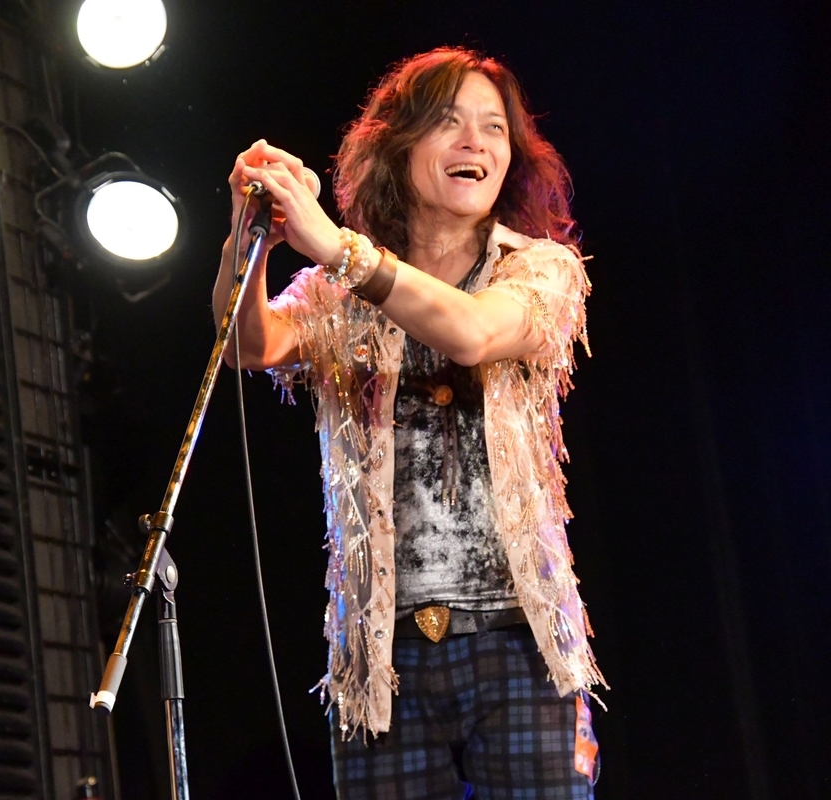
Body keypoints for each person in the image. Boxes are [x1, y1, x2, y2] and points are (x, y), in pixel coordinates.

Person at [211, 47, 605, 799]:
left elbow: (472, 333)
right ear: (399, 145)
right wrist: (248, 231)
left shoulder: (540, 269)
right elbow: (248, 344)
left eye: (494, 128)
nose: (475, 142)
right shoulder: (337, 292)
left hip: (519, 643)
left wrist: (337, 247)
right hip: (381, 656)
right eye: (449, 122)